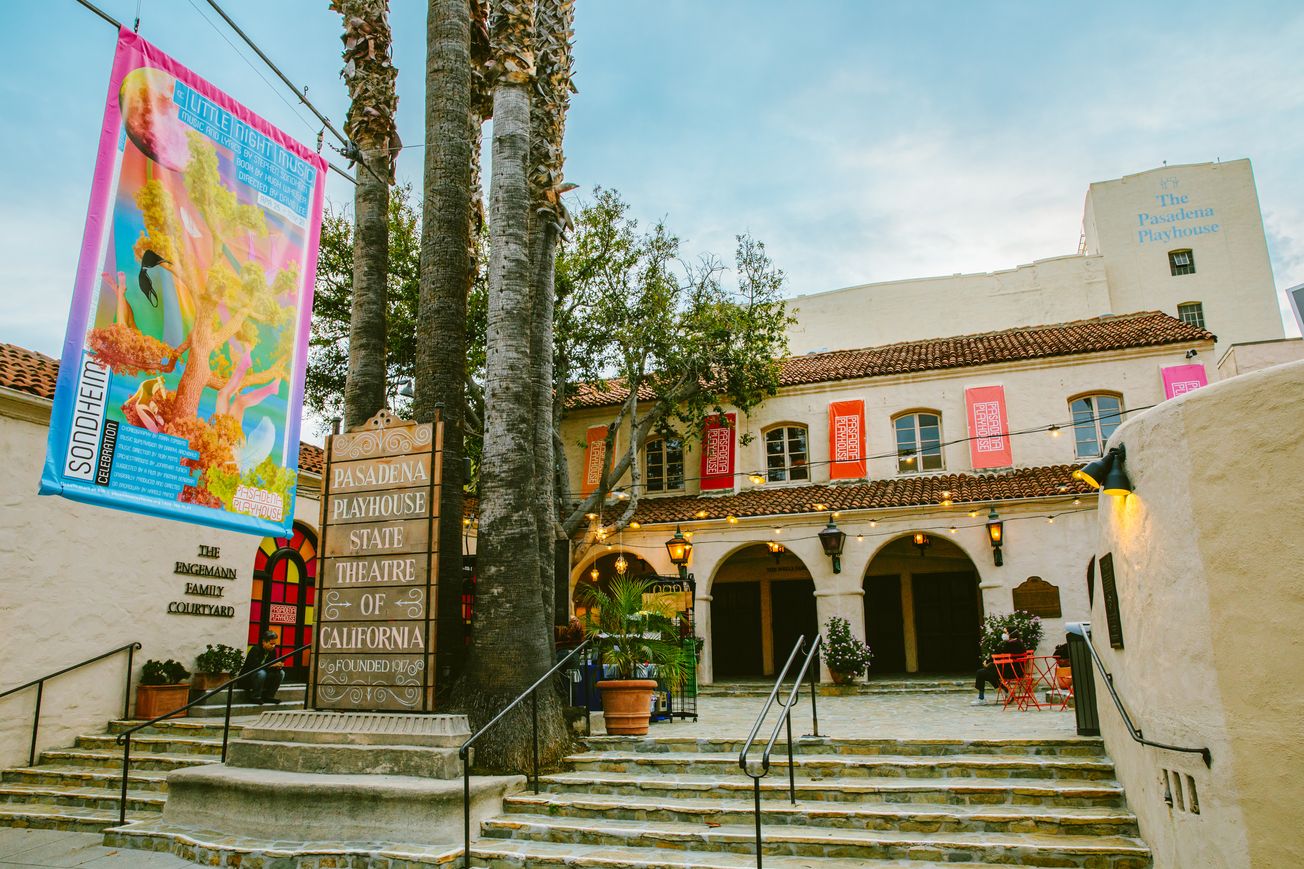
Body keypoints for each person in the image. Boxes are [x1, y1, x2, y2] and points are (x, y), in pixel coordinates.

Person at [972, 630, 1026, 706]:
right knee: (986, 673)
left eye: (1006, 632)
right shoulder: (1019, 643)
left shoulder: (1010, 644)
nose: (1004, 634)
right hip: (1017, 671)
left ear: (1011, 634)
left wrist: (988, 661)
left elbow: (999, 654)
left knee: (981, 673)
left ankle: (982, 698)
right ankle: (1005, 690)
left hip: (1011, 671)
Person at [239, 630, 285, 705]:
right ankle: (255, 697)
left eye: (274, 644)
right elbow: (254, 667)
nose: (273, 646)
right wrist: (271, 665)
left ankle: (269, 696)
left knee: (281, 673)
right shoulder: (255, 649)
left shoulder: (272, 651)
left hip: (263, 678)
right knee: (261, 673)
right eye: (271, 644)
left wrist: (277, 667)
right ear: (264, 642)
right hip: (248, 678)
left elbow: (270, 667)